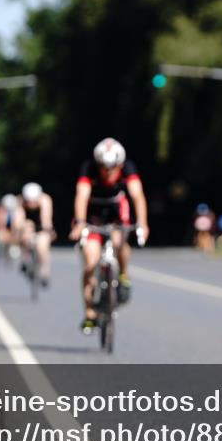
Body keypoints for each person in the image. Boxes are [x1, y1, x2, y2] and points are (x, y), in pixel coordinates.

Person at [69, 138, 150, 332]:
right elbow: (81, 196)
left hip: (116, 211)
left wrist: (142, 223)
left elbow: (137, 196)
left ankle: (124, 275)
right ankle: (89, 313)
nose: (108, 172)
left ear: (120, 164)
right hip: (92, 214)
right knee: (90, 262)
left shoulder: (128, 167)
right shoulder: (88, 168)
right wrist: (79, 223)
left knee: (119, 241)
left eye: (113, 167)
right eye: (104, 168)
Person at [13, 182, 55, 286]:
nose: (31, 204)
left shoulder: (45, 200)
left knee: (43, 244)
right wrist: (22, 229)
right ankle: (25, 258)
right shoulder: (19, 201)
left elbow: (46, 220)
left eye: (34, 201)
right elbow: (18, 221)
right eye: (29, 201)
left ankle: (44, 270)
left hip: (41, 225)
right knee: (25, 233)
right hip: (27, 225)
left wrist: (48, 231)